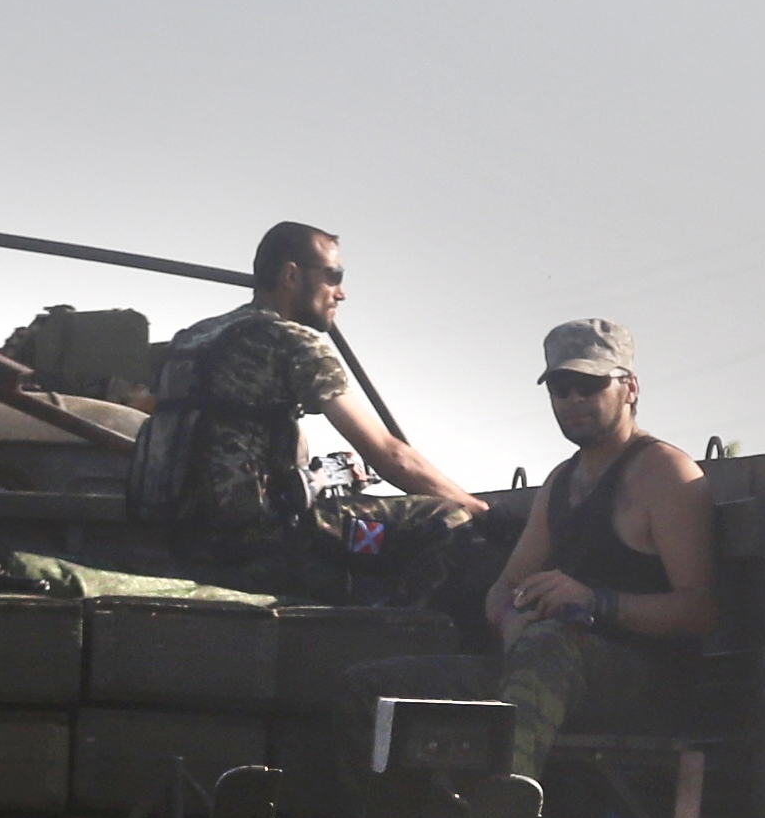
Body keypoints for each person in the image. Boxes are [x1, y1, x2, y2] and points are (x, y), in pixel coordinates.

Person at [350, 318, 720, 779]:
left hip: (642, 683)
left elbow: (700, 610)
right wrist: (511, 622)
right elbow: (505, 588)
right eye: (560, 387)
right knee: (372, 686)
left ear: (629, 387)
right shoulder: (561, 482)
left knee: (549, 645)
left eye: (589, 384)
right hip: (544, 666)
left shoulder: (665, 475)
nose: (573, 399)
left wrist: (595, 602)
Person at [132, 221, 487, 605]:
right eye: (333, 276)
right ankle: (393, 634)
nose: (342, 293)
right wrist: (478, 508)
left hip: (178, 538)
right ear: (291, 275)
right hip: (265, 540)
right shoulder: (292, 341)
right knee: (448, 520)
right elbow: (389, 454)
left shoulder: (194, 337)